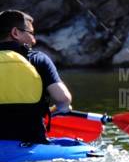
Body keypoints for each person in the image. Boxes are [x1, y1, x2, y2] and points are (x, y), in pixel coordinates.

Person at [0, 10, 74, 144]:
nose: (34, 40)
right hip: (31, 144)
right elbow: (63, 99)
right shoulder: (38, 59)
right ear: (15, 32)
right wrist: (60, 108)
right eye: (31, 33)